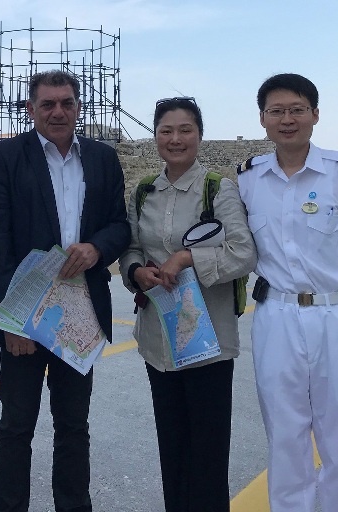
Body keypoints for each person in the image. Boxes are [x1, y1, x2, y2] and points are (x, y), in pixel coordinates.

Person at [0, 69, 130, 512]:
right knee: (16, 426)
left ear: (79, 107)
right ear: (31, 109)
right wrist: (12, 320)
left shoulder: (102, 158)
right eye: (47, 104)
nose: (58, 112)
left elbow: (119, 225)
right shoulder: (6, 157)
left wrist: (97, 248)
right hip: (24, 316)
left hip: (80, 313)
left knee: (74, 426)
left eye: (67, 103)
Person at [236, 73, 338, 512]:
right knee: (285, 434)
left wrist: (337, 291)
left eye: (297, 110)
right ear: (263, 119)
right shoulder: (248, 179)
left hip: (336, 316)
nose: (287, 119)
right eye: (277, 111)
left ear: (315, 114)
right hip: (275, 317)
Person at [119, 97, 257, 512]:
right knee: (173, 448)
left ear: (199, 135)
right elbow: (130, 247)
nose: (175, 139)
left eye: (185, 130)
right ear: (156, 136)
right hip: (158, 340)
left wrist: (186, 258)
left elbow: (244, 253)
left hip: (208, 341)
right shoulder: (144, 192)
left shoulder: (218, 189)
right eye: (166, 130)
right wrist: (137, 272)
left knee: (208, 453)